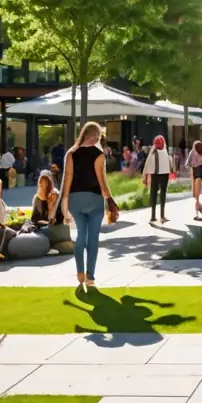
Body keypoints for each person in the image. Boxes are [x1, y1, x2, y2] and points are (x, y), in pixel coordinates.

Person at [60, 121, 113, 289]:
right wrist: (110, 200)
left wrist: (65, 201)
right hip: (94, 199)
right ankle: (90, 277)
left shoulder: (71, 153)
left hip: (75, 198)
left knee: (81, 235)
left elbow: (67, 178)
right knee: (93, 239)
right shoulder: (99, 154)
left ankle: (79, 273)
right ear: (96, 136)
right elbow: (102, 180)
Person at [143, 135, 173, 224]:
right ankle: (162, 216)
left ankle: (153, 216)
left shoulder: (153, 153)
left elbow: (147, 165)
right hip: (164, 175)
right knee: (163, 195)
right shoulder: (165, 152)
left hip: (155, 175)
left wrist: (145, 176)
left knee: (153, 194)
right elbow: (169, 165)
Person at [185, 141, 202, 222]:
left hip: (197, 171)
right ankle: (198, 208)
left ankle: (197, 211)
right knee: (196, 194)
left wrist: (196, 164)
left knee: (196, 194)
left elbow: (187, 164)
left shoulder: (194, 151)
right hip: (198, 171)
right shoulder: (198, 151)